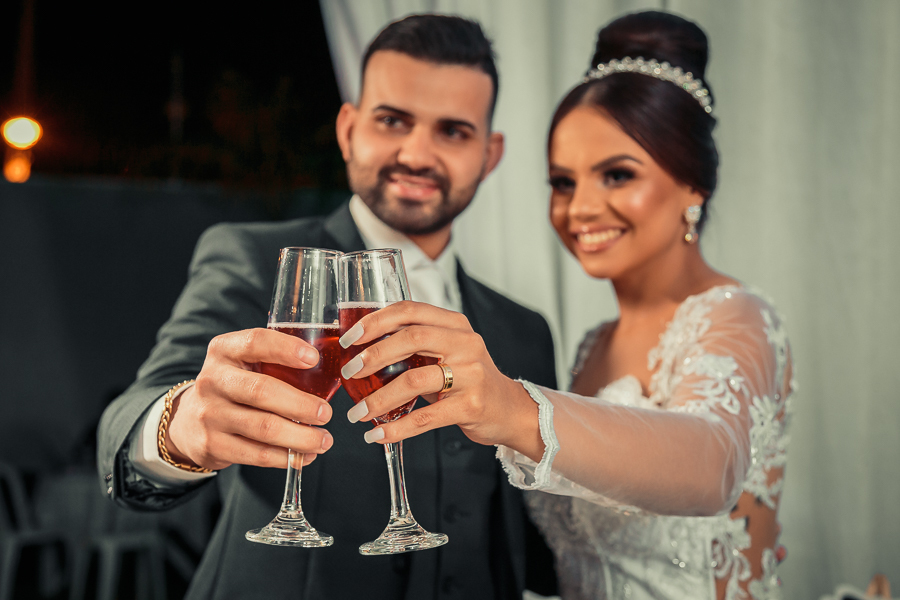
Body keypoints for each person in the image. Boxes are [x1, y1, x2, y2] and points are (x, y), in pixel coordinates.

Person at [97, 14, 558, 600]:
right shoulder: (256, 262)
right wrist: (184, 424)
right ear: (347, 130)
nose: (417, 153)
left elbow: (534, 538)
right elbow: (127, 424)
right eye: (392, 120)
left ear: (490, 155)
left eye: (453, 131)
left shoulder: (523, 331)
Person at [337, 11, 794, 600]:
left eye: (617, 175)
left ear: (693, 185)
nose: (580, 208)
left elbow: (714, 466)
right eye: (563, 182)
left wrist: (512, 407)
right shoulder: (590, 346)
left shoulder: (737, 315)